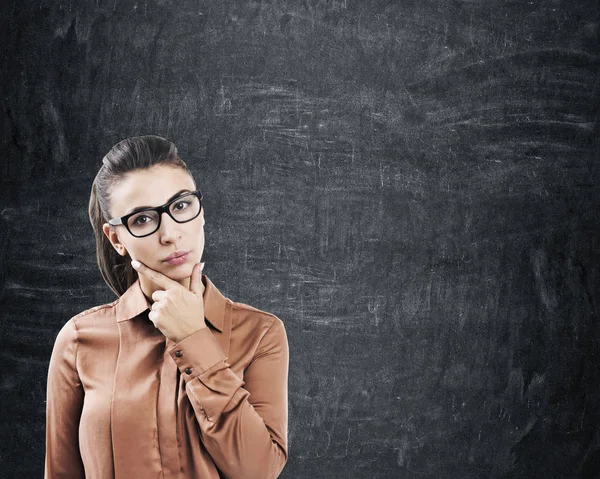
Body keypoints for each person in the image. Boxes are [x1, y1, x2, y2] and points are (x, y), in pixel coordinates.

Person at [44, 135, 289, 478]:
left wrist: (194, 339)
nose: (171, 234)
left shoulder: (261, 333)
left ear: (201, 212)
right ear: (117, 239)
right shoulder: (78, 340)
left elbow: (259, 470)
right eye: (142, 219)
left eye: (180, 206)